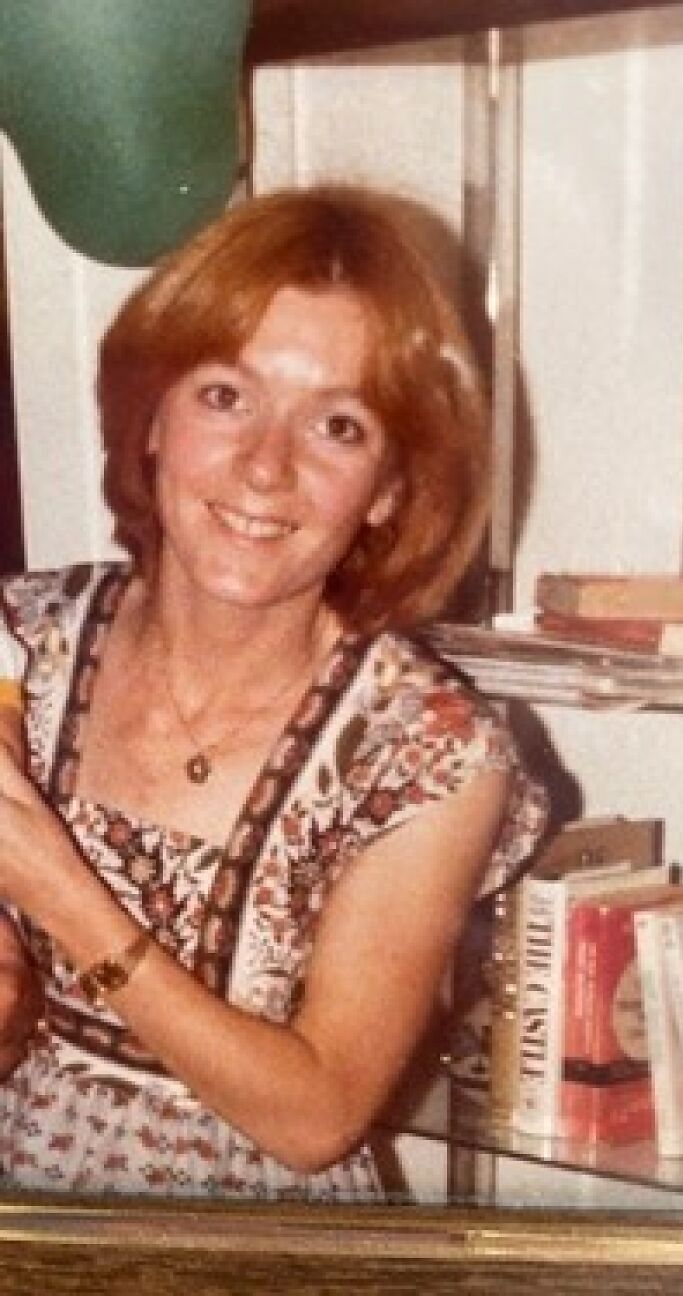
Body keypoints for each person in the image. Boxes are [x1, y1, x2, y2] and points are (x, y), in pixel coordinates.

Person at [0, 184, 547, 1199]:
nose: (265, 467)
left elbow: (317, 1114)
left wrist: (55, 890)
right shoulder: (19, 643)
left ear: (389, 488)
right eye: (224, 396)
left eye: (337, 425)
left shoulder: (430, 754)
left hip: (256, 1240)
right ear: (151, 418)